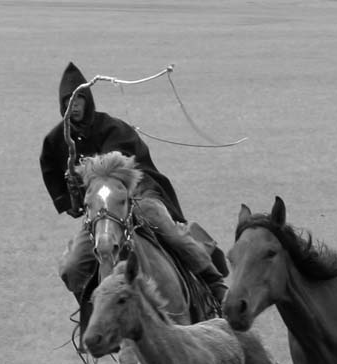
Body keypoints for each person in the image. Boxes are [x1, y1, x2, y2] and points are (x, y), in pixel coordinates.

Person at [39, 61, 227, 307]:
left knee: (169, 232)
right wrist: (69, 201)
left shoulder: (112, 129)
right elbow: (50, 167)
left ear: (88, 101)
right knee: (72, 266)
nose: (72, 107)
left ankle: (216, 286)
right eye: (68, 103)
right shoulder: (56, 140)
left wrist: (82, 173)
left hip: (138, 194)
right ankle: (92, 315)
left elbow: (113, 168)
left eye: (78, 101)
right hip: (102, 208)